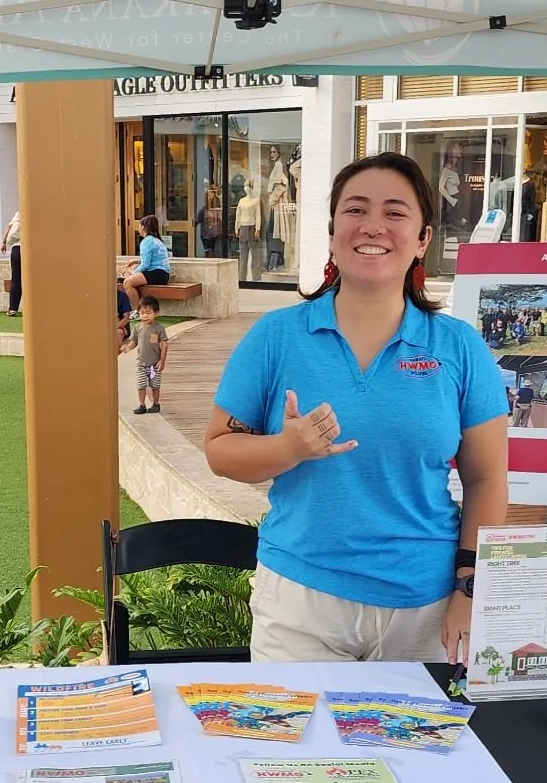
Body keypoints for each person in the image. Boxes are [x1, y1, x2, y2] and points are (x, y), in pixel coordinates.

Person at [204, 152, 508, 666]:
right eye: (355, 210)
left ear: (423, 239)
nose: (373, 226)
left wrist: (470, 589)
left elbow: (487, 480)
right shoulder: (276, 337)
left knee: (422, 747)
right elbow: (220, 451)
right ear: (330, 231)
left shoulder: (459, 348)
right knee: (295, 748)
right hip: (301, 603)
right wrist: (287, 448)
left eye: (395, 212)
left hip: (426, 608)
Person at [120, 214, 171, 309]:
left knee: (127, 283)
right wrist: (136, 261)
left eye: (139, 226)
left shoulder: (146, 242)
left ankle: (139, 310)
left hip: (156, 274)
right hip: (163, 275)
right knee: (133, 275)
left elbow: (145, 265)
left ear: (143, 227)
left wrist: (132, 274)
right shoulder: (156, 240)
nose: (138, 228)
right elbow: (151, 259)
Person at [131, 296, 170, 415]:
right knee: (141, 384)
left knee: (155, 385)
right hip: (141, 363)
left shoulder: (159, 329)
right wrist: (127, 347)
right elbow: (134, 342)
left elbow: (164, 345)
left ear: (156, 313)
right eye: (142, 313)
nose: (145, 316)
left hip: (154, 364)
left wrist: (162, 360)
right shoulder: (137, 328)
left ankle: (155, 404)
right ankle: (142, 404)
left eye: (148, 313)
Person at [0, 210, 22, 315]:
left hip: (17, 248)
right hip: (31, 249)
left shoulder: (19, 213)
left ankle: (13, 308)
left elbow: (8, 228)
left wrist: (3, 242)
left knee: (16, 279)